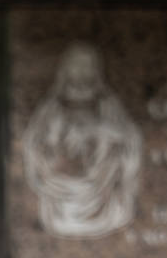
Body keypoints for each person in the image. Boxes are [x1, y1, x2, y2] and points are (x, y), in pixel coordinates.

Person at [23, 42, 143, 239]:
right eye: (77, 65)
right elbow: (34, 143)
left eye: (87, 65)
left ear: (97, 71)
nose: (82, 71)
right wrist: (60, 140)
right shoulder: (52, 107)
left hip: (101, 182)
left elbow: (129, 137)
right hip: (60, 182)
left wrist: (98, 133)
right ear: (66, 70)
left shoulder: (108, 105)